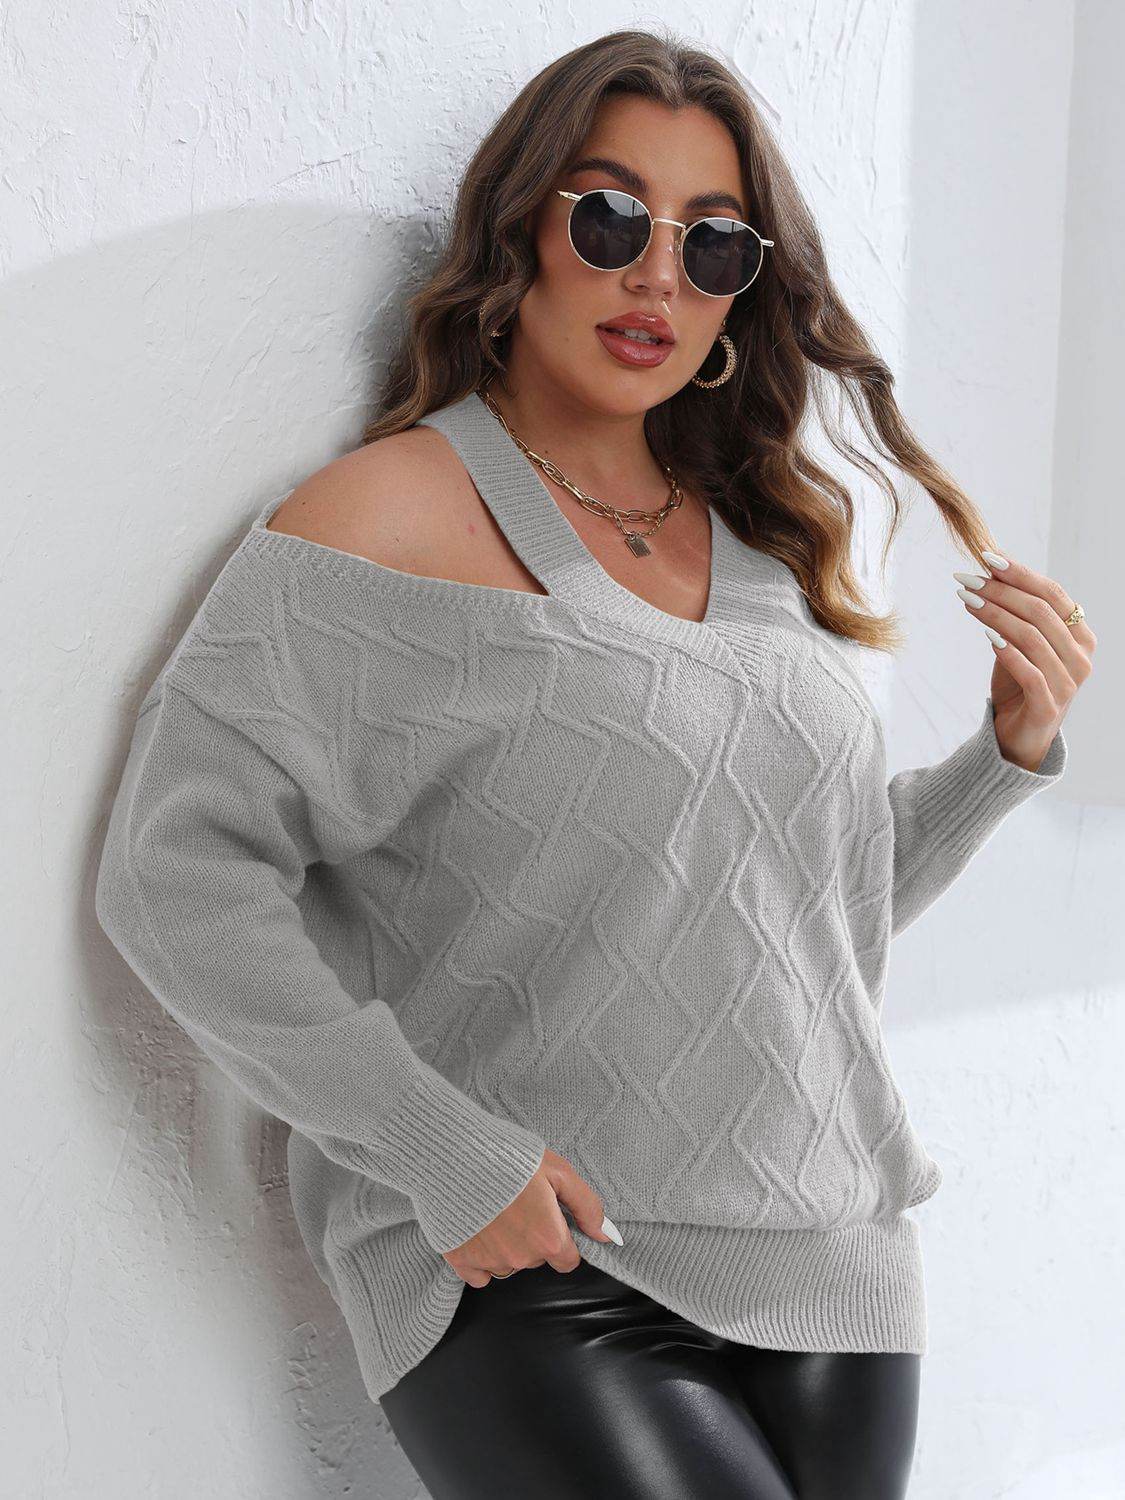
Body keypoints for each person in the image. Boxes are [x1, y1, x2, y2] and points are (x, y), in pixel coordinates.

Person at [94, 28, 1094, 1500]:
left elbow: (793, 918)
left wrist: (1001, 760)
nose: (657, 278)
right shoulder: (380, 518)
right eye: (614, 219)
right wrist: (437, 1148)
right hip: (541, 1266)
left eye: (713, 245)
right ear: (522, 233)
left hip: (832, 1263)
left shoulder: (761, 542)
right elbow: (172, 874)